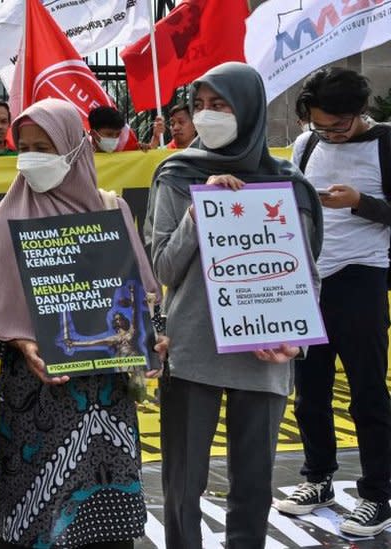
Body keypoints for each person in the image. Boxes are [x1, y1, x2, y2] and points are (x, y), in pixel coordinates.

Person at [0, 98, 161, 548]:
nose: (31, 156)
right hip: (35, 403)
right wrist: (19, 344)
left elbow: (141, 299)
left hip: (106, 400)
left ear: (75, 148)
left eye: (45, 146)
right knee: (33, 523)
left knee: (103, 527)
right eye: (25, 145)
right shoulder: (5, 219)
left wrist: (150, 337)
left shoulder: (111, 212)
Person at [144, 62, 324, 548]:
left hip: (266, 352)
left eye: (219, 105)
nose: (207, 116)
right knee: (183, 482)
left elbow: (306, 273)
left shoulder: (289, 182)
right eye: (199, 105)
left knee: (252, 485)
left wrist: (295, 342)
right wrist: (198, 211)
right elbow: (162, 267)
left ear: (247, 110)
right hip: (193, 352)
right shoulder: (177, 174)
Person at [274, 67, 391, 535]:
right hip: (310, 278)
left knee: (366, 391)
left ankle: (378, 492)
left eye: (337, 126)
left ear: (360, 112)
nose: (328, 133)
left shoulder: (385, 144)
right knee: (310, 390)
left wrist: (361, 202)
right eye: (319, 125)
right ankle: (318, 477)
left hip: (362, 276)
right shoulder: (306, 145)